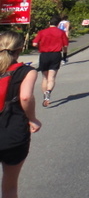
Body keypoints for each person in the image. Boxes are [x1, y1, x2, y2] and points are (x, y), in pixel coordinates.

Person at [0, 30, 41, 198]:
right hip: (12, 133)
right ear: (19, 49)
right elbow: (25, 97)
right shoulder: (26, 71)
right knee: (9, 186)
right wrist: (33, 119)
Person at [31, 16, 70, 108]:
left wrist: (40, 47)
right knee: (51, 78)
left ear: (49, 23)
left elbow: (34, 43)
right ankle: (48, 93)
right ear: (58, 24)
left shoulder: (42, 32)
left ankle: (45, 96)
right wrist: (64, 56)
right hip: (55, 55)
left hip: (44, 55)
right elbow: (65, 45)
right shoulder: (61, 32)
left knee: (45, 78)